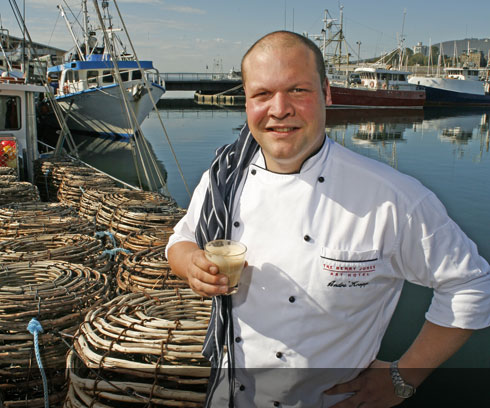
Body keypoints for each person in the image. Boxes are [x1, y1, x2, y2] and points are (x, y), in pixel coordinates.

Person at [166, 31, 490, 407]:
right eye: (262, 94)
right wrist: (192, 264)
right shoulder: (221, 178)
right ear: (246, 102)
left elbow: (471, 286)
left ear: (327, 94)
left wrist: (404, 377)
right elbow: (181, 240)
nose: (279, 109)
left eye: (298, 91)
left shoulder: (392, 197)